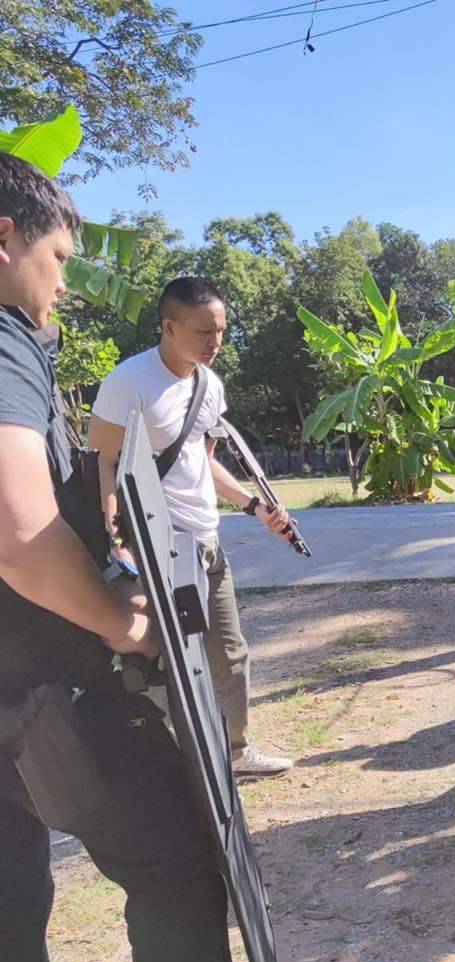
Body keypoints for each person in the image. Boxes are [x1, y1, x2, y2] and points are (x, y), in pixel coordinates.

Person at [0, 153, 256, 962]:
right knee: (176, 863)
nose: (64, 282)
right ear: (5, 239)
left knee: (8, 915)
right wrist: (119, 618)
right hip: (39, 692)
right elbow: (19, 530)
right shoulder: (5, 340)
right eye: (60, 258)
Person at [89, 277, 294, 779]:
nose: (215, 342)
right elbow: (101, 465)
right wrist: (117, 543)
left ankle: (236, 752)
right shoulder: (128, 383)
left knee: (229, 652)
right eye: (204, 331)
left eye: (221, 331)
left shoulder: (209, 385)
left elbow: (201, 463)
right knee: (169, 660)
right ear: (169, 327)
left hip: (206, 537)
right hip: (156, 543)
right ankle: (177, 766)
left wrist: (252, 505)